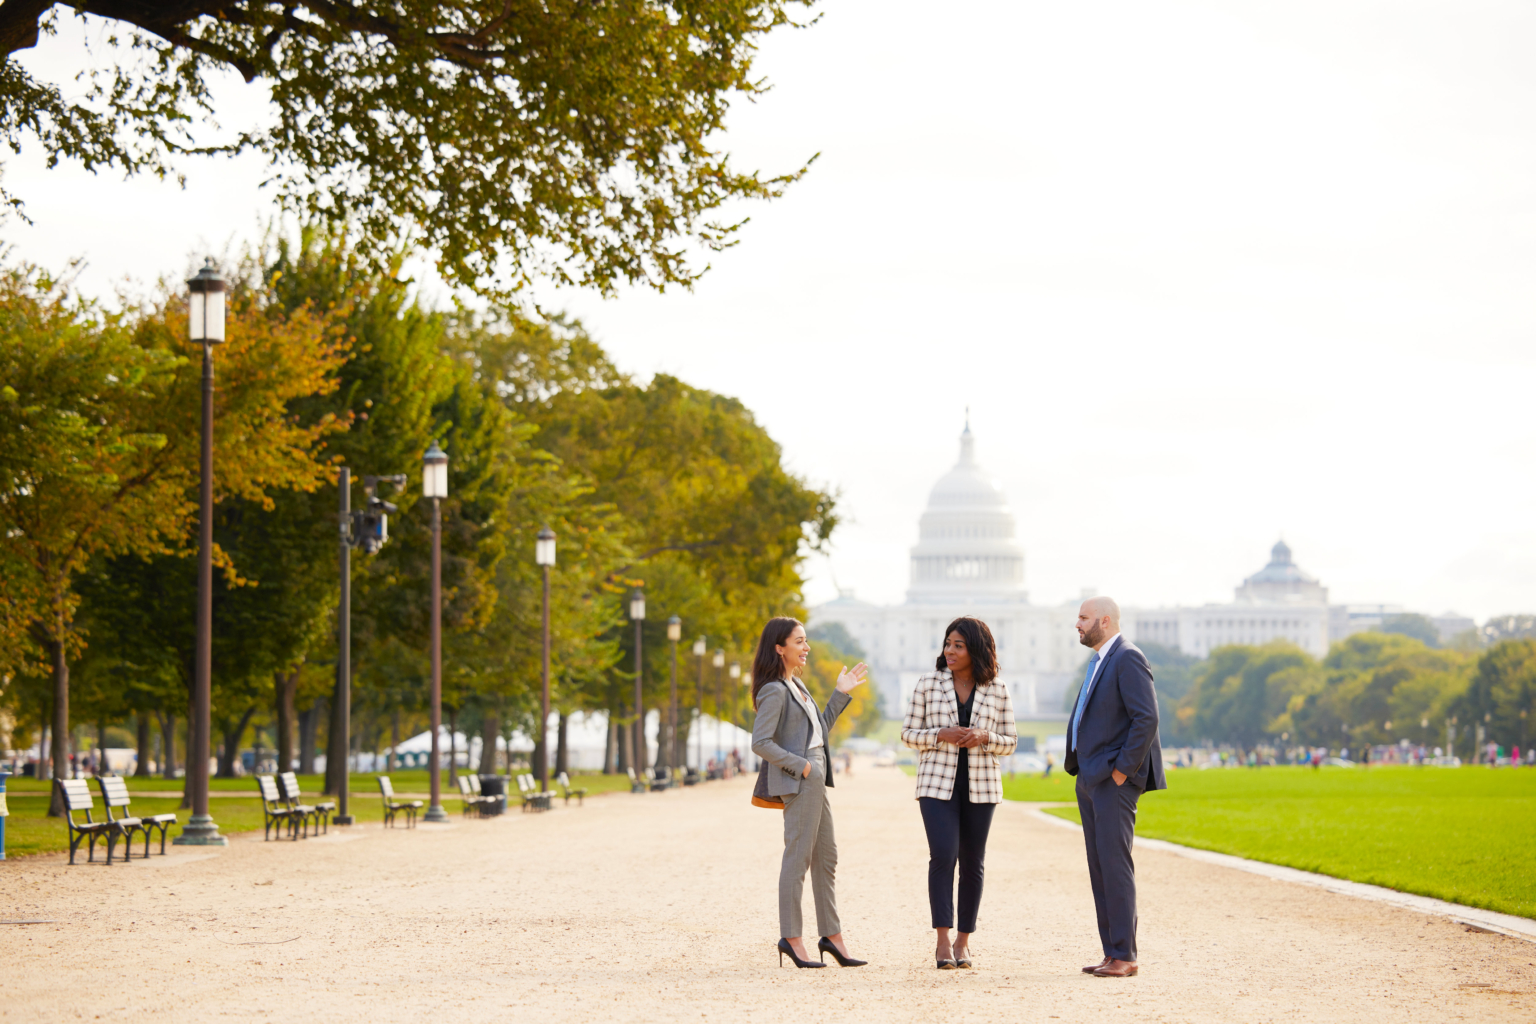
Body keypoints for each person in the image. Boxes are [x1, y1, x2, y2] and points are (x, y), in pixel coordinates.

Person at [749, 616, 870, 969]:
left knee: (826, 858)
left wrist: (841, 692)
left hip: (815, 776)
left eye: (806, 640)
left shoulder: (797, 687)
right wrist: (800, 766)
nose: (807, 647)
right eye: (799, 641)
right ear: (779, 647)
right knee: (797, 858)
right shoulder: (774, 689)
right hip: (801, 778)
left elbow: (821, 731)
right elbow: (761, 742)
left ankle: (831, 937)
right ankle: (791, 937)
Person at [901, 616, 1018, 970]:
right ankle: (941, 940)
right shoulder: (927, 684)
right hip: (937, 785)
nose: (949, 651)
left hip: (981, 788)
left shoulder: (997, 688)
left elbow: (1010, 742)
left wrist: (985, 737)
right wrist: (940, 734)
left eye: (958, 645)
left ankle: (963, 940)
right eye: (947, 644)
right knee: (943, 856)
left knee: (973, 863)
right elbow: (907, 734)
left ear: (976, 650)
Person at [1064, 596, 1166, 979]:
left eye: (1083, 618)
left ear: (1104, 621)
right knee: (1100, 868)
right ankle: (1112, 952)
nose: (1077, 624)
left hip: (1113, 779)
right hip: (1090, 777)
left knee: (1115, 865)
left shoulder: (1127, 657)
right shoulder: (1100, 660)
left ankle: (1125, 954)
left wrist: (1123, 771)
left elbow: (1147, 718)